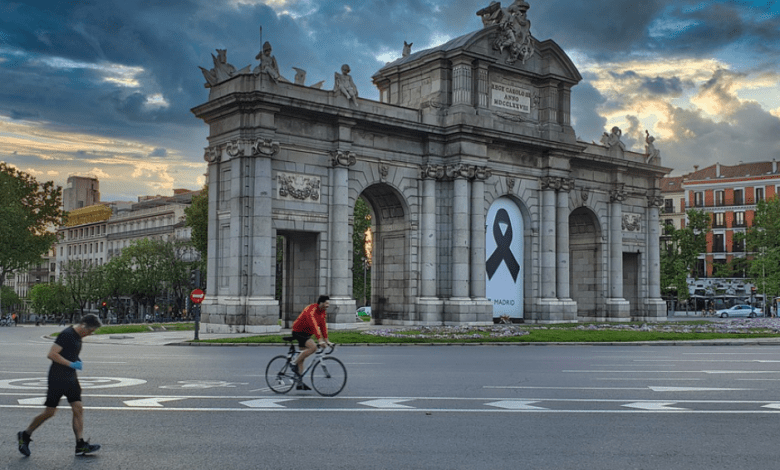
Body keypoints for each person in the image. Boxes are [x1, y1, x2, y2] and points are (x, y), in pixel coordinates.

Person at [17, 314, 103, 457]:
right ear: (83, 326)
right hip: (57, 378)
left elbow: (69, 352)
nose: (90, 334)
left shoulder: (78, 336)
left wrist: (76, 360)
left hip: (71, 377)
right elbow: (52, 354)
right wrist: (71, 363)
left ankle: (80, 444)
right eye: (90, 331)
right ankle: (25, 435)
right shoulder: (66, 334)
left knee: (78, 408)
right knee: (50, 412)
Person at [290, 296, 333, 390]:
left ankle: (299, 383)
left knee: (302, 359)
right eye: (326, 303)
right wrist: (319, 340)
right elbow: (314, 325)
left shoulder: (322, 312)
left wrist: (326, 340)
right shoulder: (311, 310)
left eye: (328, 304)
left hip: (307, 333)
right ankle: (293, 363)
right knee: (313, 348)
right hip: (298, 331)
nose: (328, 305)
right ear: (320, 303)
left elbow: (323, 326)